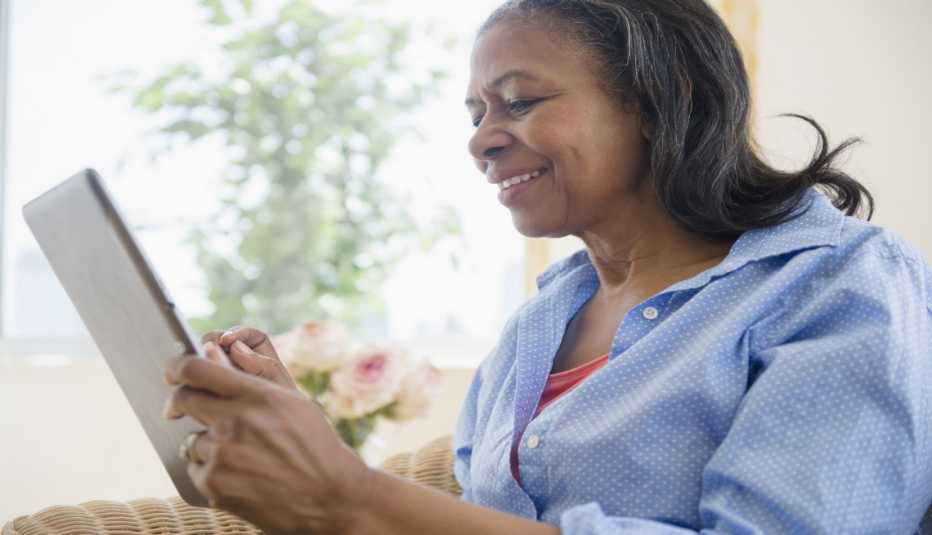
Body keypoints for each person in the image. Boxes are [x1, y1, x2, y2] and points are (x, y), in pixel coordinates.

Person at [162, 0, 932, 533]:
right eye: (476, 114)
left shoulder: (837, 285)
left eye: (520, 102)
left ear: (665, 99)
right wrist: (310, 447)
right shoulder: (541, 322)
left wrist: (351, 497)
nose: (482, 139)